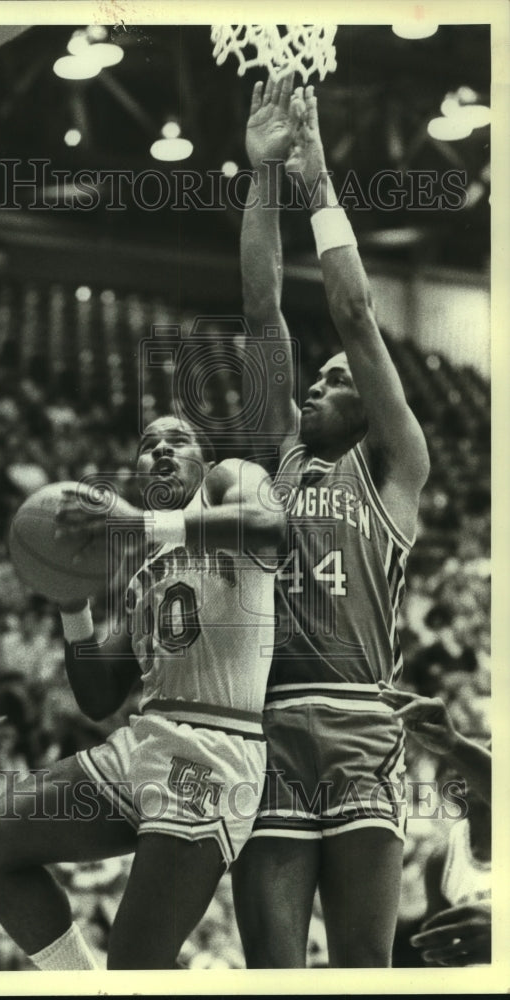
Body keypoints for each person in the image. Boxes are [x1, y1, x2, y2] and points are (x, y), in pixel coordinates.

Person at [0, 415, 285, 969]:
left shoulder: (231, 480)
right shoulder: (142, 571)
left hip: (213, 750)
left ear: (202, 458)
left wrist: (143, 524)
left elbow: (270, 526)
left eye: (176, 441)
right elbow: (99, 696)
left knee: (135, 966)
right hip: (142, 744)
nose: (159, 450)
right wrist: (71, 602)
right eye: (147, 445)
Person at [230, 77, 431, 967]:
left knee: (363, 972)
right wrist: (261, 176)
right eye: (312, 380)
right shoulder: (278, 456)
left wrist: (317, 186)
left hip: (356, 727)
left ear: (372, 402)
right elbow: (261, 311)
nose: (316, 383)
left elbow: (354, 316)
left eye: (335, 381)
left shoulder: (393, 467)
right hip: (269, 726)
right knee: (273, 975)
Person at [377, 683, 491, 967]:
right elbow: (436, 956)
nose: (461, 773)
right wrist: (451, 742)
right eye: (453, 767)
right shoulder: (444, 856)